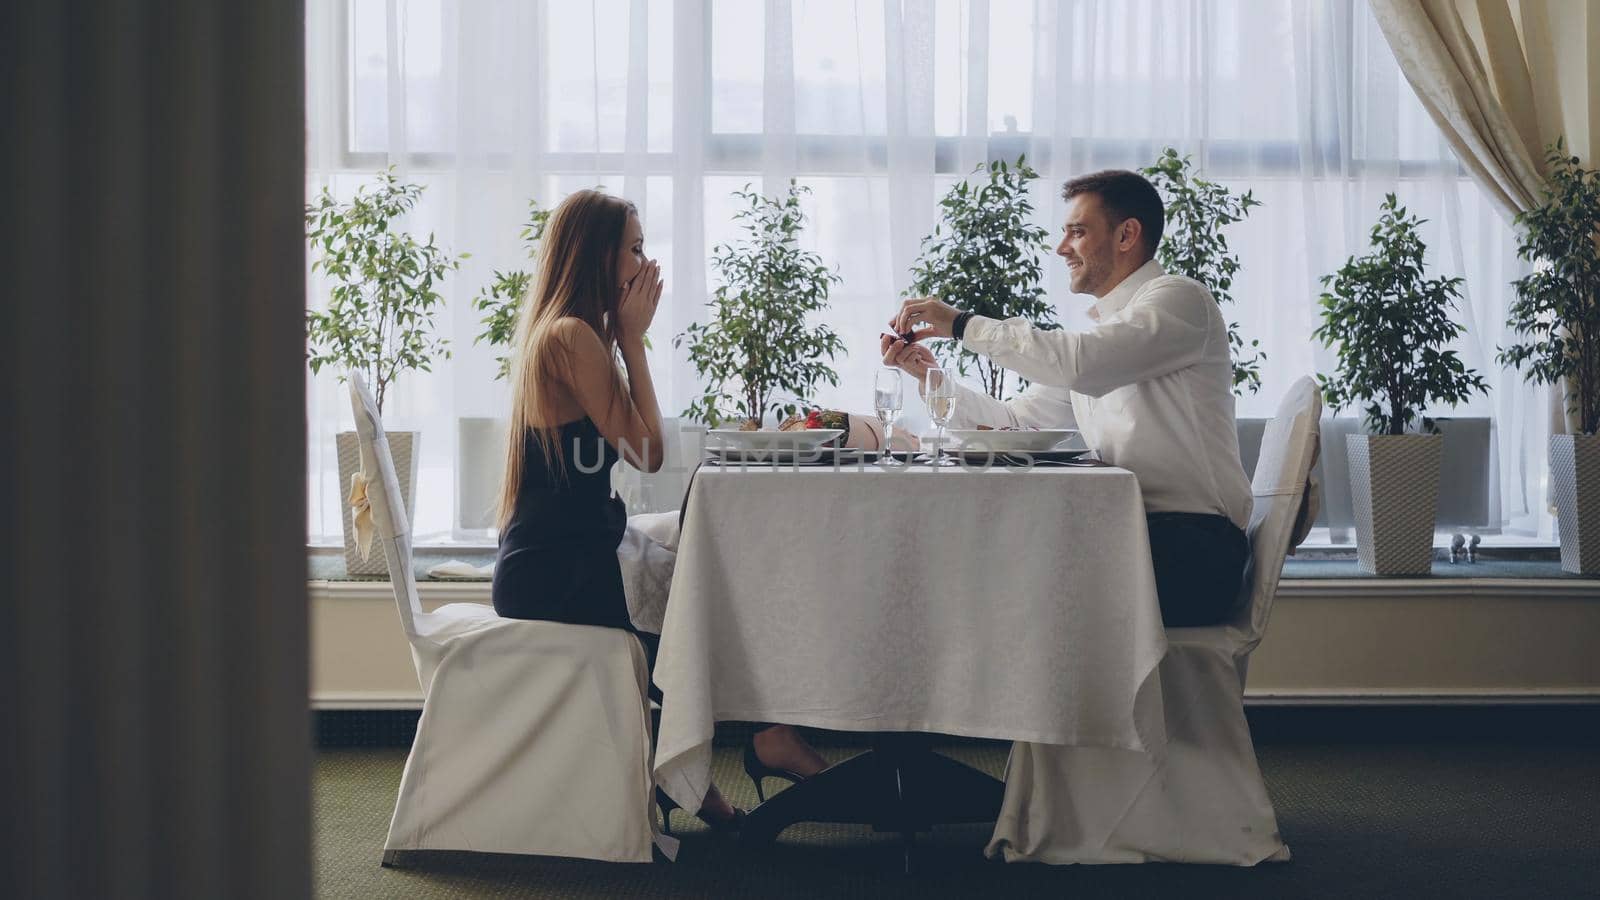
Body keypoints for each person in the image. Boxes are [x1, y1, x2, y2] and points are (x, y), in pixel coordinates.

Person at [493, 189, 828, 830]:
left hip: (573, 546)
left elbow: (643, 448)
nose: (647, 264)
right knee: (704, 581)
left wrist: (623, 339)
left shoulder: (578, 334)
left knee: (718, 554)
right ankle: (749, 746)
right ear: (599, 257)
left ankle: (749, 742)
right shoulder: (569, 337)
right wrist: (634, 341)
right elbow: (648, 452)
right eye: (636, 249)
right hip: (554, 567)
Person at [882, 170, 1253, 628]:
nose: (1061, 248)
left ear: (1126, 234)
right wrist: (930, 377)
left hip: (1193, 550)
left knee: (1002, 579)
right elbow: (1015, 424)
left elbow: (1080, 364)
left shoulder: (1180, 302)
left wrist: (962, 324)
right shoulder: (1106, 340)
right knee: (981, 563)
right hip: (1134, 533)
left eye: (1077, 231)